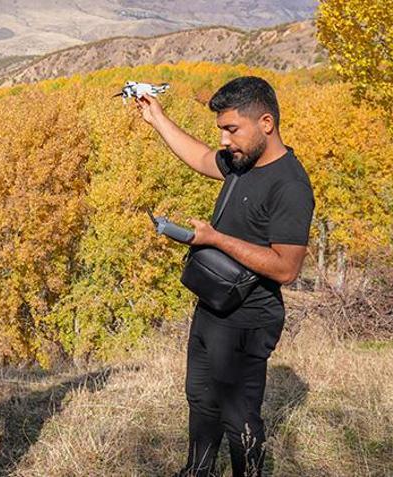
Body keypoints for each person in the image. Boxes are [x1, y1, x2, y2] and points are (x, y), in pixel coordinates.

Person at [136, 76, 314, 476]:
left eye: (231, 129)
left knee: (239, 417)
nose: (223, 140)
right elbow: (201, 158)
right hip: (212, 308)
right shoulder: (242, 161)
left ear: (266, 123)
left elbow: (286, 268)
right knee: (200, 399)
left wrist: (216, 239)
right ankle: (196, 471)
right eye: (221, 129)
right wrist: (157, 118)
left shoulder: (290, 186)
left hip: (249, 320)